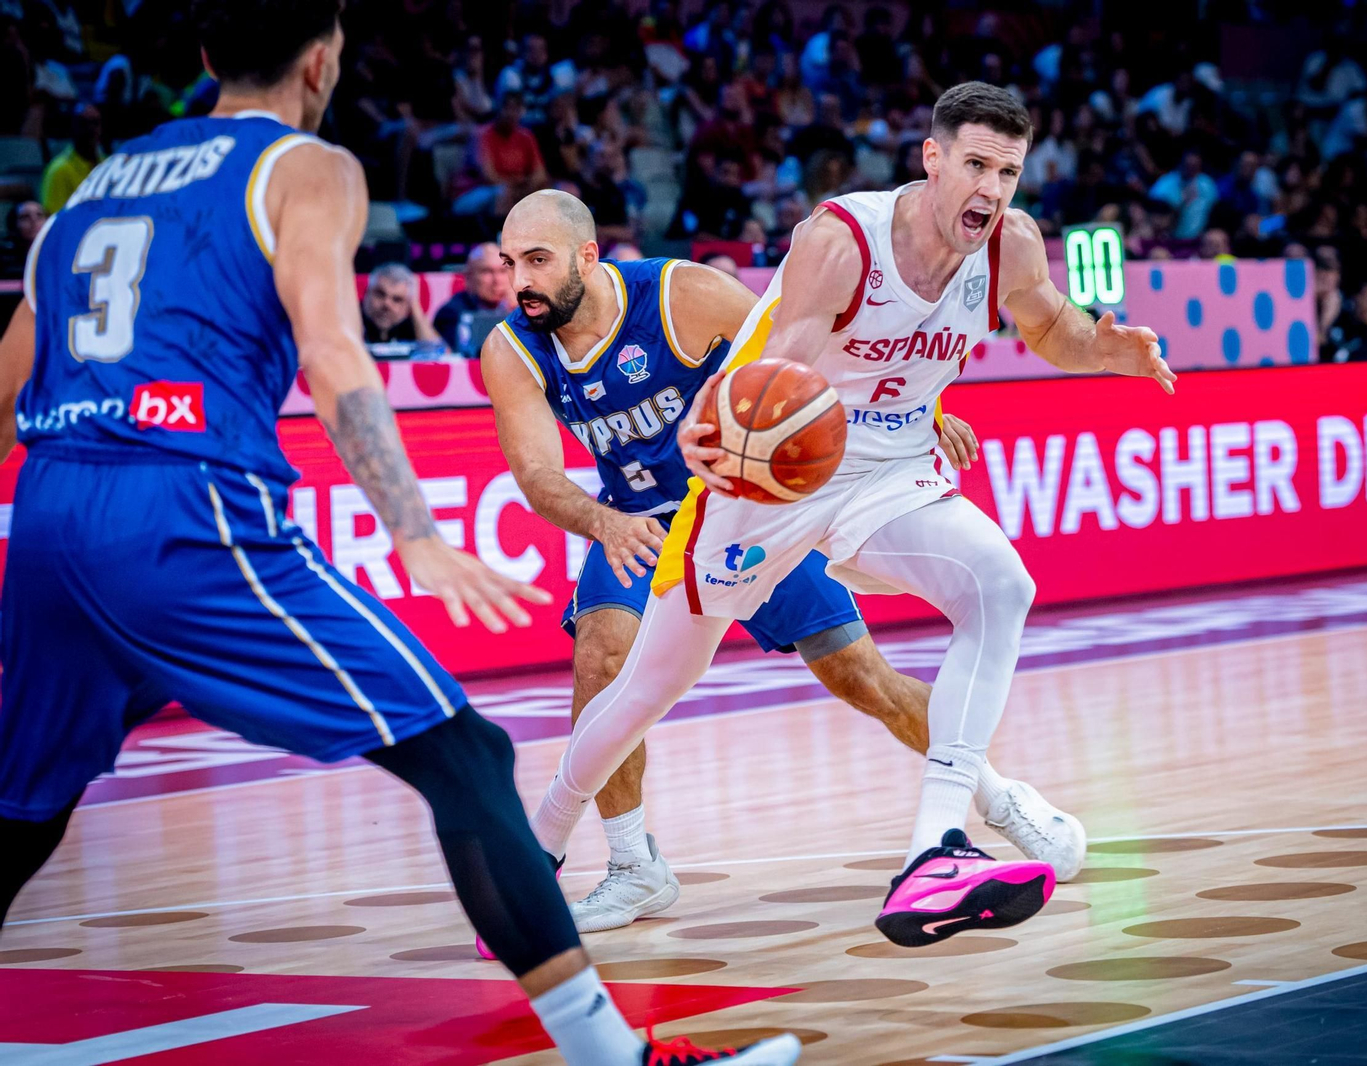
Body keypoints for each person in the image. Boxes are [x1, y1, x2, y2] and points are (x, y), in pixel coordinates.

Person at [0, 4, 797, 1064]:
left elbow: (9, 378)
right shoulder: (305, 167)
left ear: (203, 59)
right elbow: (334, 352)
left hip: (50, 509)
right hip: (184, 511)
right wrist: (413, 528)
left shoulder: (88, 187)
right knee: (467, 756)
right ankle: (616, 1056)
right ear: (322, 57)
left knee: (24, 803)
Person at [529, 82, 1173, 948]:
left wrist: (1107, 351)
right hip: (774, 474)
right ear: (932, 159)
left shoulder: (1011, 247)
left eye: (1008, 171)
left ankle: (937, 848)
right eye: (975, 164)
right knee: (649, 686)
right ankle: (541, 836)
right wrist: (717, 423)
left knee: (1000, 584)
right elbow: (777, 363)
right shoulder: (842, 241)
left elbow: (1051, 325)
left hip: (890, 472)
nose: (990, 187)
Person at [482, 191, 1082, 935]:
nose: (519, 281)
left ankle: (997, 798)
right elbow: (538, 475)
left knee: (859, 675)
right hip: (639, 521)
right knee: (605, 660)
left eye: (535, 262)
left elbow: (818, 345)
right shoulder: (510, 348)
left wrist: (917, 412)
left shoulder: (681, 295)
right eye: (510, 264)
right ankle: (633, 867)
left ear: (586, 257)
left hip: (757, 501)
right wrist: (604, 522)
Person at [433, 242, 512, 354]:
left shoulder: (518, 308)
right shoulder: (452, 313)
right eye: (487, 272)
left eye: (503, 271)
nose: (497, 280)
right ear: (469, 277)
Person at [40, 103, 104, 214]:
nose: (91, 129)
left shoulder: (108, 164)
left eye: (95, 123)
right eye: (83, 124)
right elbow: (54, 220)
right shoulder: (59, 170)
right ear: (72, 127)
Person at [360, 262, 440, 346]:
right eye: (380, 294)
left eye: (397, 299)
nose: (387, 304)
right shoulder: (352, 318)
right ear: (366, 293)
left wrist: (416, 311)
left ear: (408, 305)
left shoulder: (411, 325)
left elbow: (434, 351)